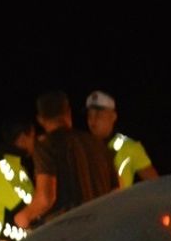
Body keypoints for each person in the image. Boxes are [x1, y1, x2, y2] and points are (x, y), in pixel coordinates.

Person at [13, 91, 118, 230]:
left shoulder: (46, 146)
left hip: (67, 234)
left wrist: (23, 217)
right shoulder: (98, 144)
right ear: (68, 113)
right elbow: (116, 192)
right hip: (99, 229)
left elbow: (46, 198)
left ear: (40, 119)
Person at [85, 90, 158, 188]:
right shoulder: (81, 147)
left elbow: (155, 184)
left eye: (98, 115)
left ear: (113, 117)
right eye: (90, 115)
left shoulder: (130, 147)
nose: (92, 120)